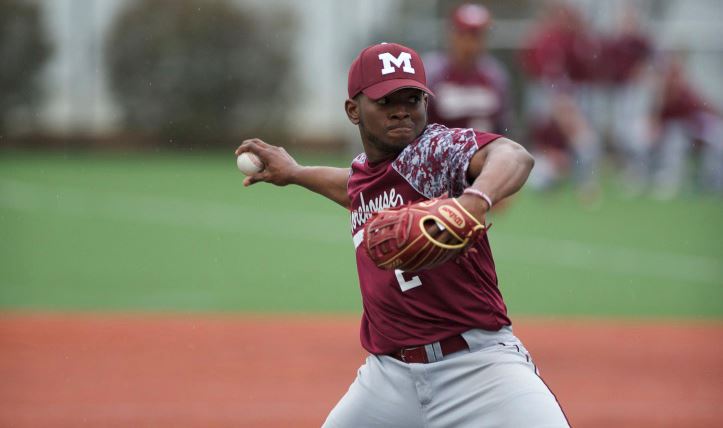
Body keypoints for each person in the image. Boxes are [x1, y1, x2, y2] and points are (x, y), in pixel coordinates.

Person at [236, 42, 569, 427]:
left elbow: (514, 155)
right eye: (386, 100)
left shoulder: (433, 152)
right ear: (352, 111)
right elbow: (353, 187)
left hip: (479, 370)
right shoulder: (365, 173)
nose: (402, 110)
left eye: (412, 98)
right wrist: (295, 173)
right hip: (387, 379)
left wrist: (475, 201)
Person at [424, 3, 511, 134]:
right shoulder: (432, 72)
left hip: (485, 150)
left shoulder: (494, 75)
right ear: (452, 35)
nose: (471, 44)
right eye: (464, 35)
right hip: (440, 151)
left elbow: (502, 124)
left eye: (477, 36)